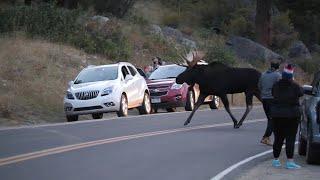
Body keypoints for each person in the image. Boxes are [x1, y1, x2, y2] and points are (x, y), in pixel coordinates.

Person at [270, 64, 303, 169]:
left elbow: (273, 94)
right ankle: (289, 161)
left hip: (277, 115)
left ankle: (275, 160)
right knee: (290, 138)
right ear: (291, 76)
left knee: (278, 138)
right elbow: (301, 93)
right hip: (292, 115)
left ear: (282, 75)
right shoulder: (295, 86)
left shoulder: (275, 85)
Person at [258, 60, 281, 146]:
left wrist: (264, 93)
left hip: (264, 99)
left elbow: (259, 86)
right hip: (273, 99)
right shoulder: (277, 75)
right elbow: (280, 87)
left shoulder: (263, 75)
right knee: (273, 119)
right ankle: (265, 137)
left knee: (270, 119)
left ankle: (277, 138)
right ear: (277, 68)